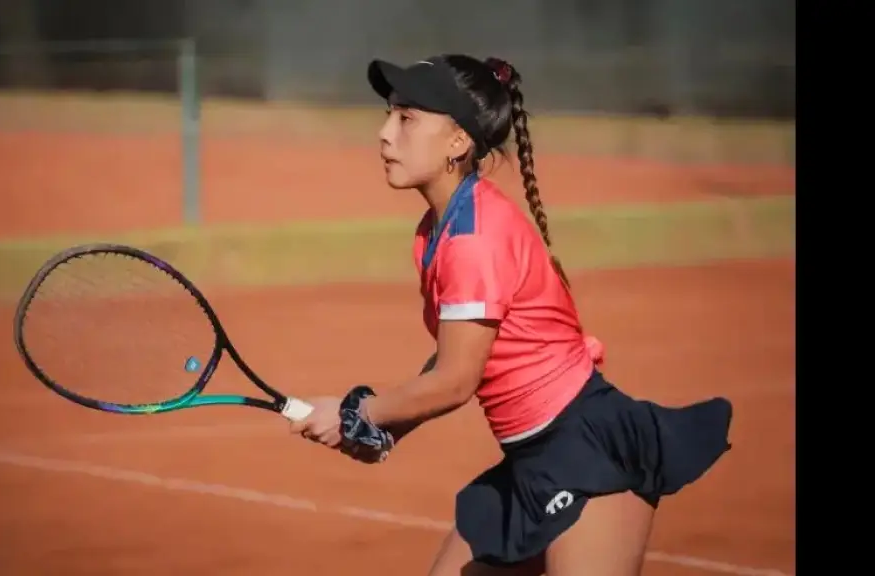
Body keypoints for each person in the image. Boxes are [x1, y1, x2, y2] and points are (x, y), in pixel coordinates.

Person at [290, 54, 733, 576]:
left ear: (459, 143)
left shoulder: (474, 236)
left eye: (407, 119)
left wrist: (360, 413)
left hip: (585, 451)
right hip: (530, 458)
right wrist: (386, 429)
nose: (385, 134)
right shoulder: (438, 231)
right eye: (389, 114)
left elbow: (457, 380)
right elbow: (454, 355)